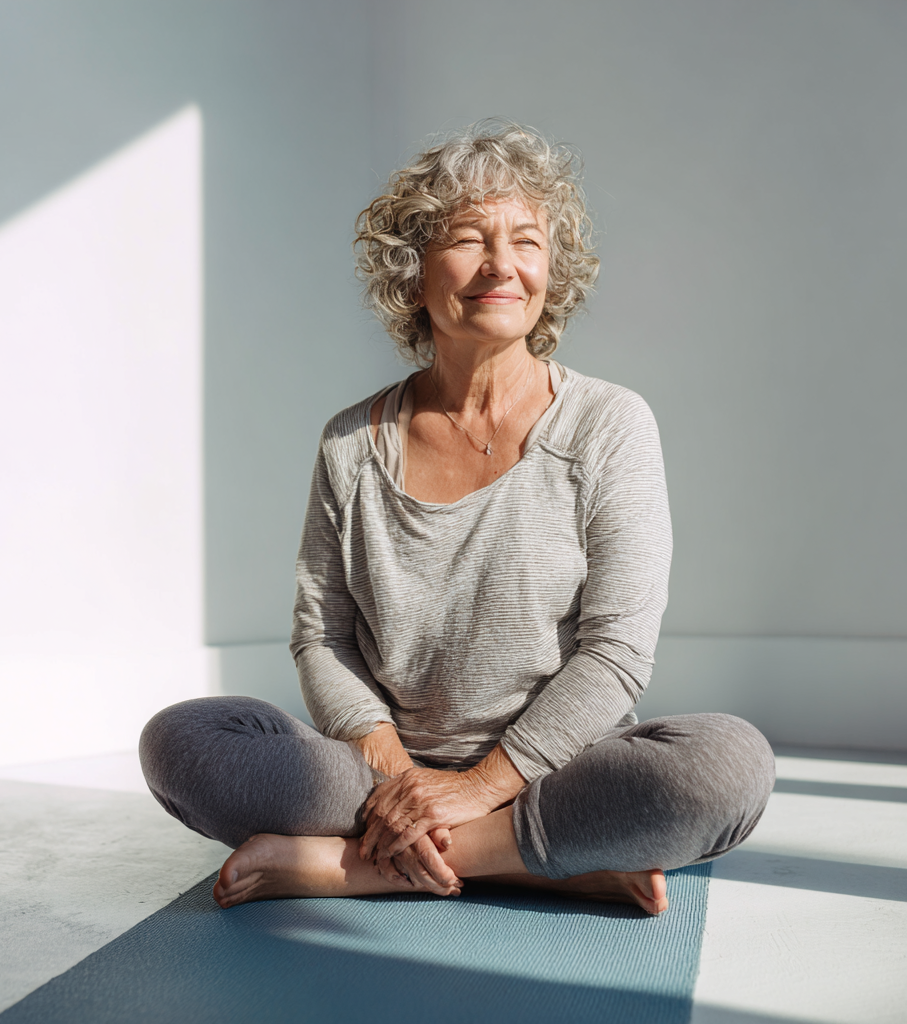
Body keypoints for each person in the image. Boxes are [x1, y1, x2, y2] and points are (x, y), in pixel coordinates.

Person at [140, 121, 775, 916]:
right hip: (376, 774)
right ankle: (548, 861)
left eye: (526, 242)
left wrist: (476, 789)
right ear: (412, 273)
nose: (502, 265)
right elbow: (323, 639)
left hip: (558, 770)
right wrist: (401, 777)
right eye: (470, 239)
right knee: (183, 742)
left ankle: (355, 865)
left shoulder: (610, 425)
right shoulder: (350, 443)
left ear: (551, 271)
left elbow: (616, 651)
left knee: (725, 766)